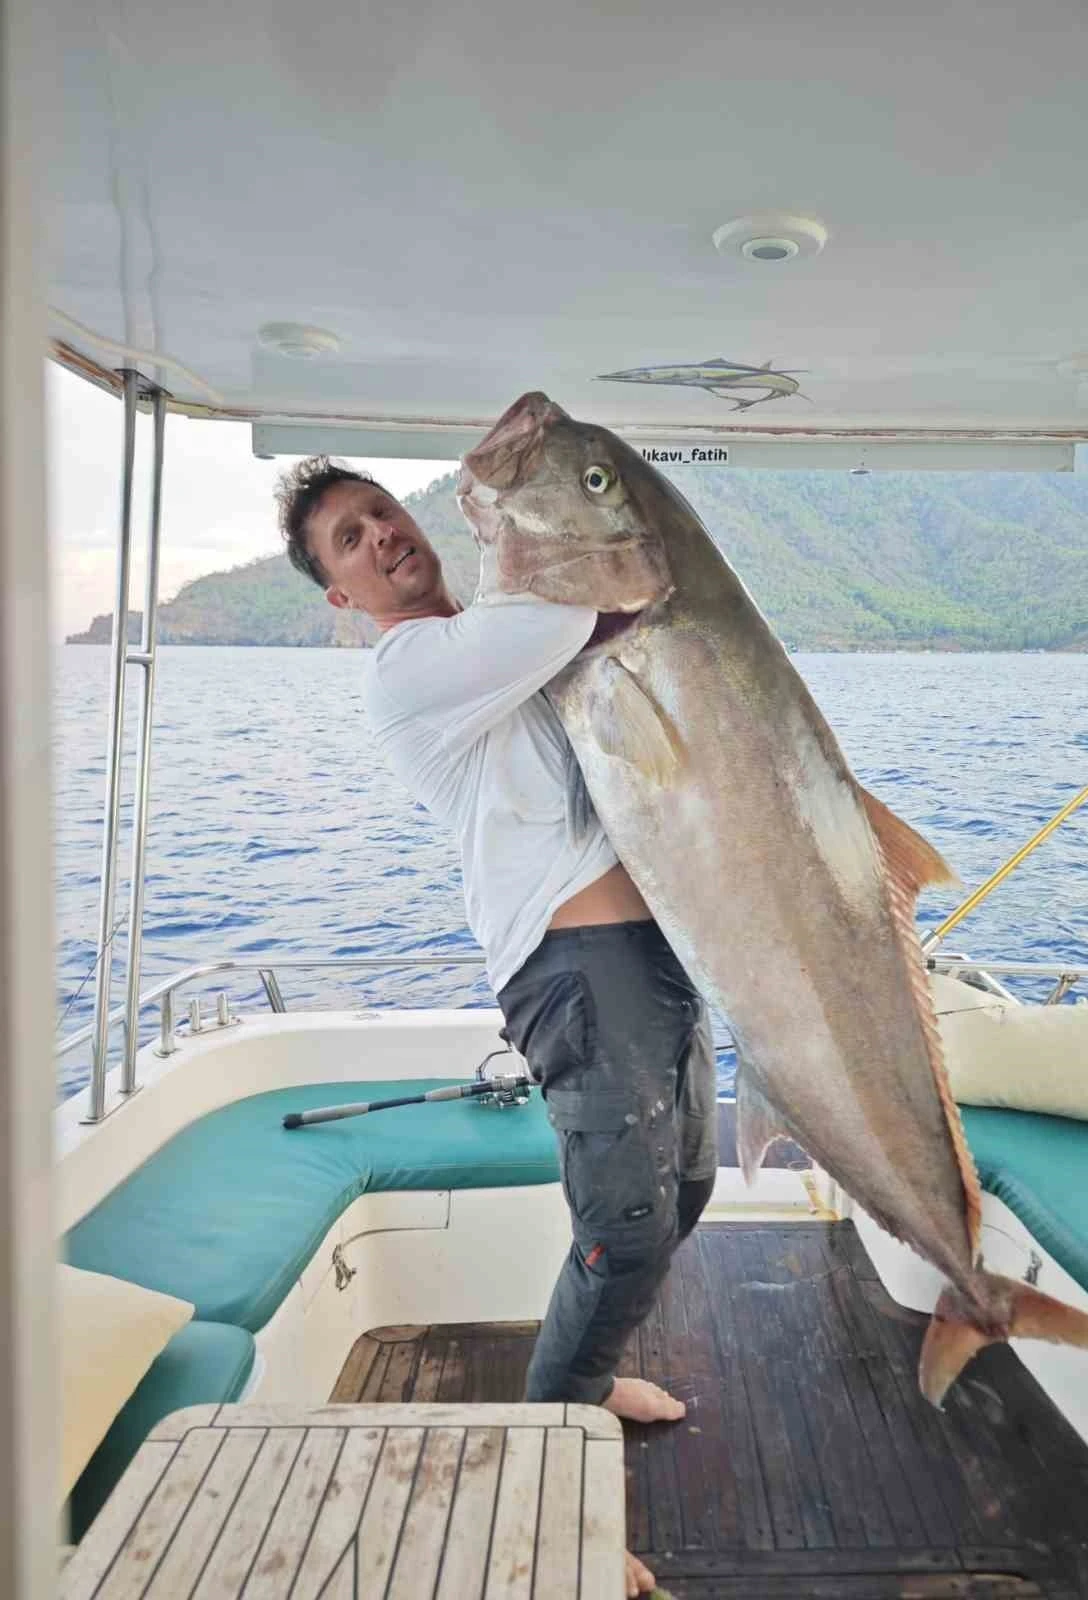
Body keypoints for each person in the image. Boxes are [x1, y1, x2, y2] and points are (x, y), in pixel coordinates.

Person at [276, 457, 717, 1598]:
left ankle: (587, 1382)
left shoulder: (492, 645)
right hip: (576, 970)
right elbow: (586, 605)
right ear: (340, 595)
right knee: (625, 1231)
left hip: (656, 954)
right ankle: (545, 1483)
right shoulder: (415, 666)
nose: (379, 534)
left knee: (685, 1191)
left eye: (380, 512)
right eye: (347, 539)